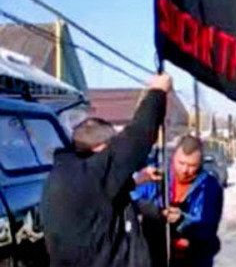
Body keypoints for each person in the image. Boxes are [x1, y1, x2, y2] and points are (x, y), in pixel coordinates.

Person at [41, 73, 172, 267]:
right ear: (99, 148)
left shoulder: (65, 173)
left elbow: (97, 195)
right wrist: (158, 92)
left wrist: (138, 180)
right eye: (110, 148)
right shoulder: (93, 174)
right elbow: (138, 136)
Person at [132, 135, 223, 267]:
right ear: (174, 157)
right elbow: (131, 199)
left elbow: (208, 226)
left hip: (193, 260)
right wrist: (152, 211)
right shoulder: (155, 177)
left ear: (201, 163)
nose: (185, 170)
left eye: (192, 165)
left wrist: (182, 220)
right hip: (154, 257)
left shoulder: (210, 187)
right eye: (181, 163)